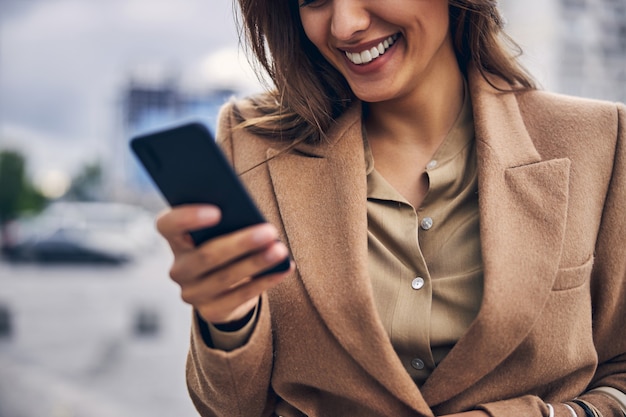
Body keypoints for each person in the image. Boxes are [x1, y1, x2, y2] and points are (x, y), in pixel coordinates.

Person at [155, 0, 626, 416]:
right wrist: (227, 318)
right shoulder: (253, 144)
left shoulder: (599, 141)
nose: (344, 26)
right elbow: (230, 408)